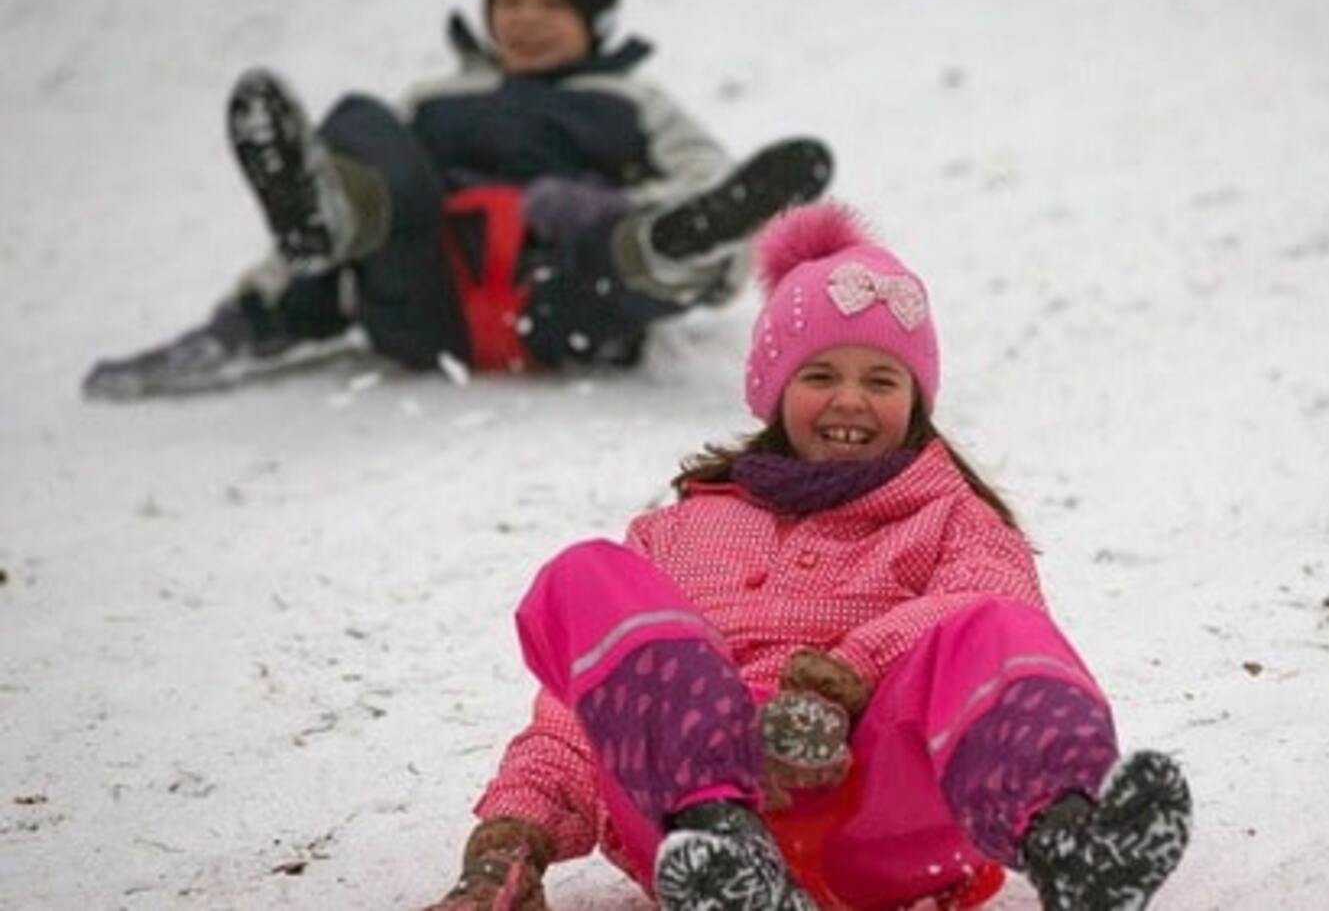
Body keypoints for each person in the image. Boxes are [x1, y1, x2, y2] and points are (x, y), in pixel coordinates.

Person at [424, 202, 1193, 911]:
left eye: (881, 379)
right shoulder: (678, 531)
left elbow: (989, 607)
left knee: (996, 627)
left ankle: (1069, 838)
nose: (851, 400)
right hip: (687, 834)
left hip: (881, 819)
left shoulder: (950, 516)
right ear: (775, 391)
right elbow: (587, 703)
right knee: (584, 577)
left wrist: (846, 680)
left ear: (916, 401)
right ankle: (730, 849)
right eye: (820, 375)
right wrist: (510, 839)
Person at [82, 0, 832, 400]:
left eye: (551, 3)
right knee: (362, 126)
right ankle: (330, 221)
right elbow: (369, 187)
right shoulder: (436, 99)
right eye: (510, 1)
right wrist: (240, 322)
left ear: (593, 19)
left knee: (634, 246)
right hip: (424, 300)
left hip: (564, 302)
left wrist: (603, 210)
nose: (525, 18)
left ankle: (664, 247)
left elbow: (713, 181)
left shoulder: (626, 100)